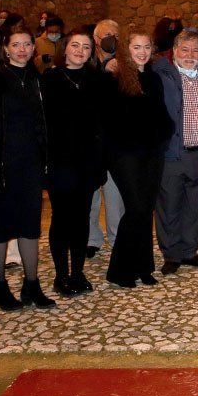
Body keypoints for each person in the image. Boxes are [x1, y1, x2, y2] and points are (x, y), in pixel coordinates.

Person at [0, 28, 55, 310]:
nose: (22, 49)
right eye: (16, 44)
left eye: (27, 44)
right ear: (6, 48)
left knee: (30, 226)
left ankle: (31, 284)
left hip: (32, 163)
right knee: (0, 226)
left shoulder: (39, 78)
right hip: (3, 163)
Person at [101, 33, 173, 287]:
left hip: (152, 152)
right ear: (126, 49)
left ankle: (144, 267)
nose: (141, 52)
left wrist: (166, 134)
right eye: (136, 47)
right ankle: (120, 270)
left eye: (146, 47)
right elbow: (108, 120)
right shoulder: (114, 78)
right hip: (125, 154)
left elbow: (161, 114)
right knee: (136, 208)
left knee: (146, 209)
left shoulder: (153, 78)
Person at [42, 29, 107, 296]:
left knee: (82, 219)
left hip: (87, 160)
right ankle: (61, 275)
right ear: (65, 49)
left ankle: (78, 272)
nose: (80, 50)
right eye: (75, 45)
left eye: (86, 47)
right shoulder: (49, 79)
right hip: (60, 160)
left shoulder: (97, 80)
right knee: (61, 219)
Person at [154, 29, 198, 275]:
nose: (190, 55)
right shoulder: (161, 74)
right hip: (173, 152)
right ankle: (171, 253)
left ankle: (189, 250)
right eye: (184, 49)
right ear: (174, 51)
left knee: (195, 205)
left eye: (195, 50)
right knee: (169, 205)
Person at [87, 19, 124, 258]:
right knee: (89, 195)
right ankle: (91, 239)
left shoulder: (123, 65)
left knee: (114, 195)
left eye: (115, 34)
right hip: (89, 140)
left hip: (114, 140)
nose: (111, 38)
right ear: (96, 40)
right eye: (106, 35)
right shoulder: (86, 63)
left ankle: (117, 237)